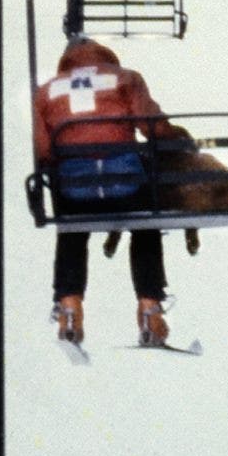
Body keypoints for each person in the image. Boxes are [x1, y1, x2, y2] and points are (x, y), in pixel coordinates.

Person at [32, 32, 176, 347]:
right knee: (145, 226)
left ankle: (70, 306)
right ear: (103, 54)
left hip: (76, 193)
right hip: (126, 187)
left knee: (71, 232)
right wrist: (172, 137)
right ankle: (150, 308)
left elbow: (43, 150)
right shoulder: (124, 78)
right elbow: (151, 124)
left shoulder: (46, 92)